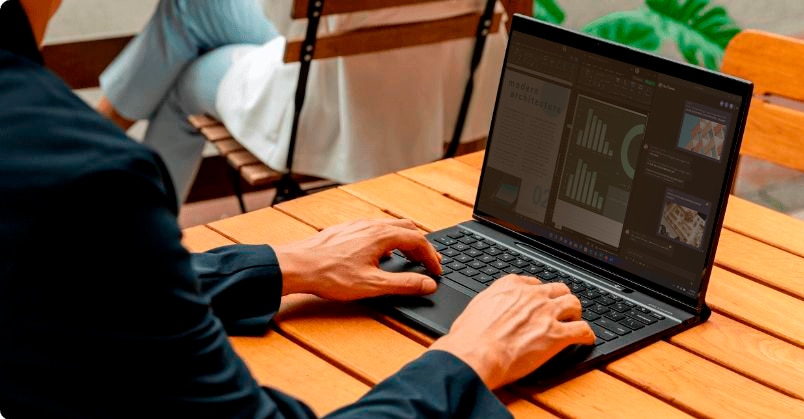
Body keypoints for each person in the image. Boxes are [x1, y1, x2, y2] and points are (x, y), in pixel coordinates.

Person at [0, 0, 594, 417]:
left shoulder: (54, 176)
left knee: (190, 16)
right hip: (437, 106)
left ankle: (114, 118)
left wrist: (279, 264)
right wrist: (473, 356)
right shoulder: (87, 183)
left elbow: (78, 290)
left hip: (316, 108)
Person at [96, 0, 508, 204]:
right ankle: (98, 147)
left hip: (319, 119)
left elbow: (282, 18)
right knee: (190, 7)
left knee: (183, 72)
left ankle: (102, 159)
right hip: (449, 115)